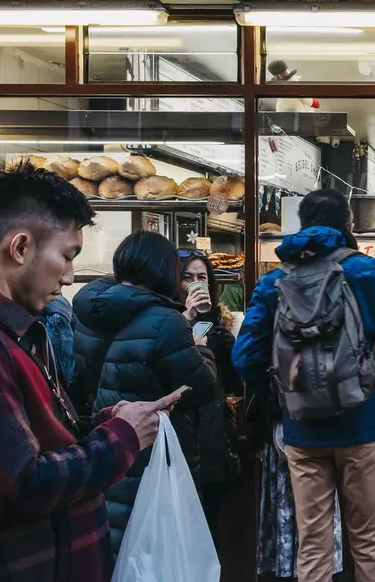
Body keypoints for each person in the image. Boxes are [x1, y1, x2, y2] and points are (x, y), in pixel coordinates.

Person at [0, 163, 183, 582]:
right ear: (20, 248)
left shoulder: (5, 330)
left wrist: (106, 422)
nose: (69, 276)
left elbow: (31, 445)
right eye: (67, 256)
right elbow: (22, 487)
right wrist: (121, 438)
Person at [234, 189, 375, 582]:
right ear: (349, 226)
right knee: (369, 542)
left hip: (303, 432)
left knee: (312, 544)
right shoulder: (371, 272)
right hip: (363, 427)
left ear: (302, 228)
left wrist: (283, 395)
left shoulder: (275, 280)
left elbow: (244, 357)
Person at [70, 232, 219, 563]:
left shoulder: (85, 313)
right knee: (153, 551)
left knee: (115, 543)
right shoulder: (166, 321)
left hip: (104, 443)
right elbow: (200, 389)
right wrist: (202, 352)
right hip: (155, 453)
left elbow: (80, 376)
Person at [175, 249, 244, 544]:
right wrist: (186, 320)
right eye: (187, 277)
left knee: (210, 535)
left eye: (201, 277)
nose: (195, 284)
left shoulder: (219, 327)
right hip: (178, 444)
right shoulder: (165, 322)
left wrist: (226, 344)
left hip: (213, 443)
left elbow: (231, 385)